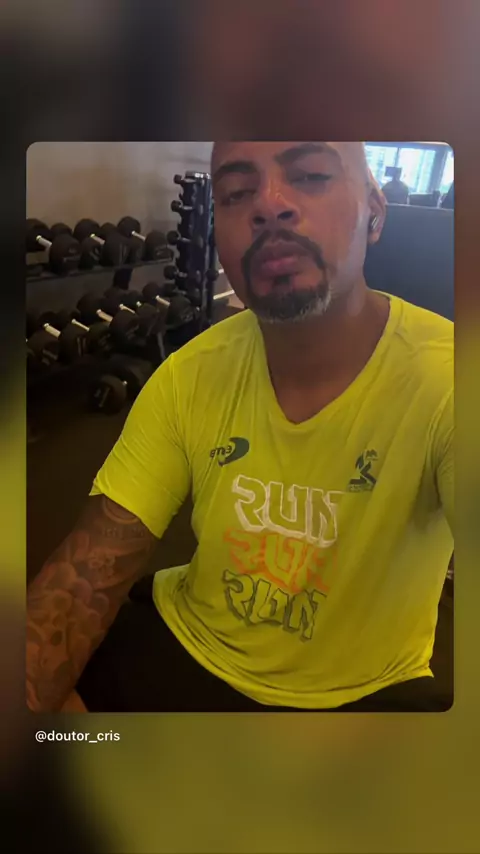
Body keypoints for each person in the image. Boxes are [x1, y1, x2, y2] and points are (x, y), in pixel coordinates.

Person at [27, 142, 453, 713]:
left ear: (374, 211)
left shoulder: (449, 378)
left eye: (310, 175)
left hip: (366, 688)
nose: (269, 204)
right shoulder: (189, 374)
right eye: (236, 193)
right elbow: (83, 579)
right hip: (190, 642)